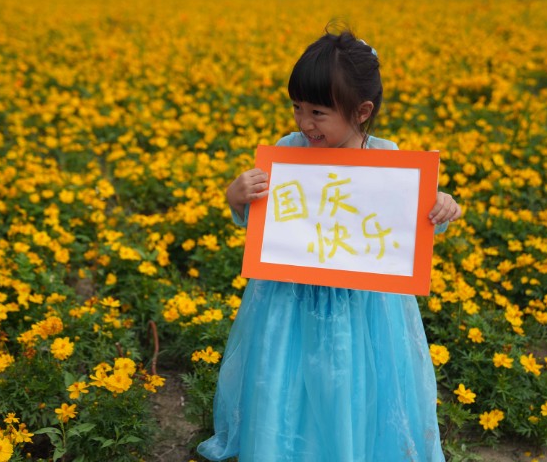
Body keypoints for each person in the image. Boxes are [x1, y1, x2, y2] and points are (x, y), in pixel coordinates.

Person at [197, 28, 462, 462]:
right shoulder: (288, 151)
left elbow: (412, 222)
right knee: (284, 373)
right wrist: (237, 197)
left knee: (355, 377)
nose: (304, 123)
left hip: (365, 307)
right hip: (289, 300)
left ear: (361, 111)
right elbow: (263, 219)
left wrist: (443, 207)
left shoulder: (387, 158)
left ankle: (349, 450)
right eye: (297, 108)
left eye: (318, 112)